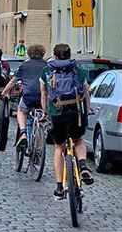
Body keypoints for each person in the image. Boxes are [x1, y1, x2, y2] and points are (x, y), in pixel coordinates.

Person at [40, 43, 94, 199]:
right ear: (70, 55)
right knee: (78, 140)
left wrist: (45, 112)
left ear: (55, 55)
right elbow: (86, 92)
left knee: (59, 147)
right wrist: (87, 110)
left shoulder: (47, 70)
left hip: (57, 114)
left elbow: (43, 94)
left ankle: (59, 187)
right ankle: (83, 165)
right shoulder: (78, 70)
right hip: (76, 113)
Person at [1, 45, 47, 150]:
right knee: (39, 122)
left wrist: (3, 93)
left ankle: (23, 132)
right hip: (43, 97)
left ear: (29, 54)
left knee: (21, 111)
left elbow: (12, 82)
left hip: (29, 96)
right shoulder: (47, 65)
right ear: (43, 54)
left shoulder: (24, 65)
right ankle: (38, 148)